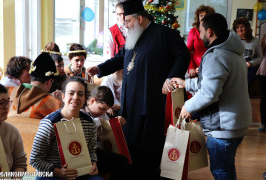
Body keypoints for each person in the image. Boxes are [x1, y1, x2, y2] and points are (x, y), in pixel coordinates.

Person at [87, 1, 190, 179]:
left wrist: (170, 78)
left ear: (139, 18)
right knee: (130, 145)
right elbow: (120, 58)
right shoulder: (134, 35)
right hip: (130, 103)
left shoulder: (165, 34)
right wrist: (99, 68)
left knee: (148, 148)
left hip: (150, 102)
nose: (124, 25)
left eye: (127, 20)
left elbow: (183, 55)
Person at [172, 13, 252, 179]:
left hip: (223, 128)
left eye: (200, 31)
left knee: (221, 172)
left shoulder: (216, 55)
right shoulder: (233, 51)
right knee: (227, 169)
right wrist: (186, 83)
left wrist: (188, 106)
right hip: (237, 122)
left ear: (209, 32)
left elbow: (209, 93)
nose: (199, 36)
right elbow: (217, 84)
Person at [29, 76, 102, 180]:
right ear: (63, 97)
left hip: (80, 172)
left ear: (85, 98)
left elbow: (91, 151)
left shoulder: (89, 122)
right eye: (71, 93)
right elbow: (35, 160)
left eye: (80, 94)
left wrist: (93, 163)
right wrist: (58, 172)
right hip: (52, 174)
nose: (76, 97)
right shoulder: (50, 123)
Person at [81, 86, 128, 180]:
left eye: (106, 110)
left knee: (134, 151)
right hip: (89, 152)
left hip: (103, 147)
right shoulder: (81, 111)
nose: (103, 113)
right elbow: (81, 128)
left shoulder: (102, 113)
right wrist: (98, 122)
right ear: (92, 101)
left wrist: (118, 122)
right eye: (102, 109)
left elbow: (109, 129)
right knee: (122, 160)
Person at [8, 52, 61, 119]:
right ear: (50, 81)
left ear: (31, 77)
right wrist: (60, 102)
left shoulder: (10, 93)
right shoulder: (52, 103)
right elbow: (62, 127)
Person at [187, 5, 215, 78]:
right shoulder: (193, 31)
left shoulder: (214, 32)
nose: (203, 18)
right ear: (198, 17)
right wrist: (191, 67)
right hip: (195, 70)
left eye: (205, 15)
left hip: (210, 68)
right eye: (201, 15)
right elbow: (187, 51)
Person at [232, 17, 263, 83]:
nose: (239, 29)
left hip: (247, 71)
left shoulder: (255, 41)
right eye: (237, 27)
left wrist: (251, 63)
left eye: (242, 27)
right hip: (233, 69)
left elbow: (260, 57)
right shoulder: (232, 40)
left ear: (247, 27)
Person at [258, 35, 266, 132]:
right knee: (264, 98)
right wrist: (262, 43)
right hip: (264, 72)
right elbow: (260, 54)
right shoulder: (264, 38)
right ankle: (263, 123)